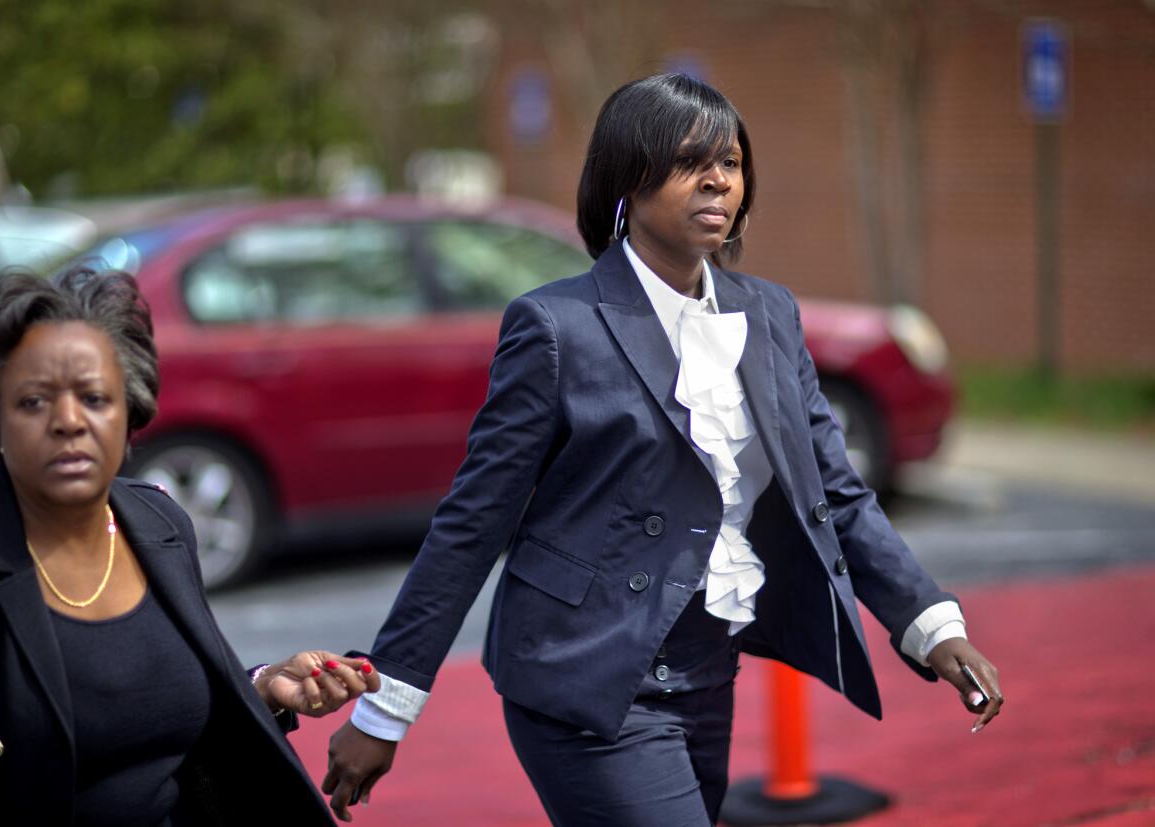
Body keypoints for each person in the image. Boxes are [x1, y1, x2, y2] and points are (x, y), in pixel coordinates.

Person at [325, 73, 1004, 826]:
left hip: (708, 671)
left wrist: (933, 624)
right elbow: (473, 520)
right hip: (583, 680)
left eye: (733, 162)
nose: (719, 179)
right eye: (690, 161)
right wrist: (386, 707)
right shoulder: (556, 326)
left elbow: (834, 492)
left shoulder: (769, 314)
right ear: (628, 178)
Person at [0, 267, 381, 826]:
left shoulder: (159, 522)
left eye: (94, 397)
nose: (68, 422)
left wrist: (264, 689)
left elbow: (171, 716)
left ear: (129, 412)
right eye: (34, 402)